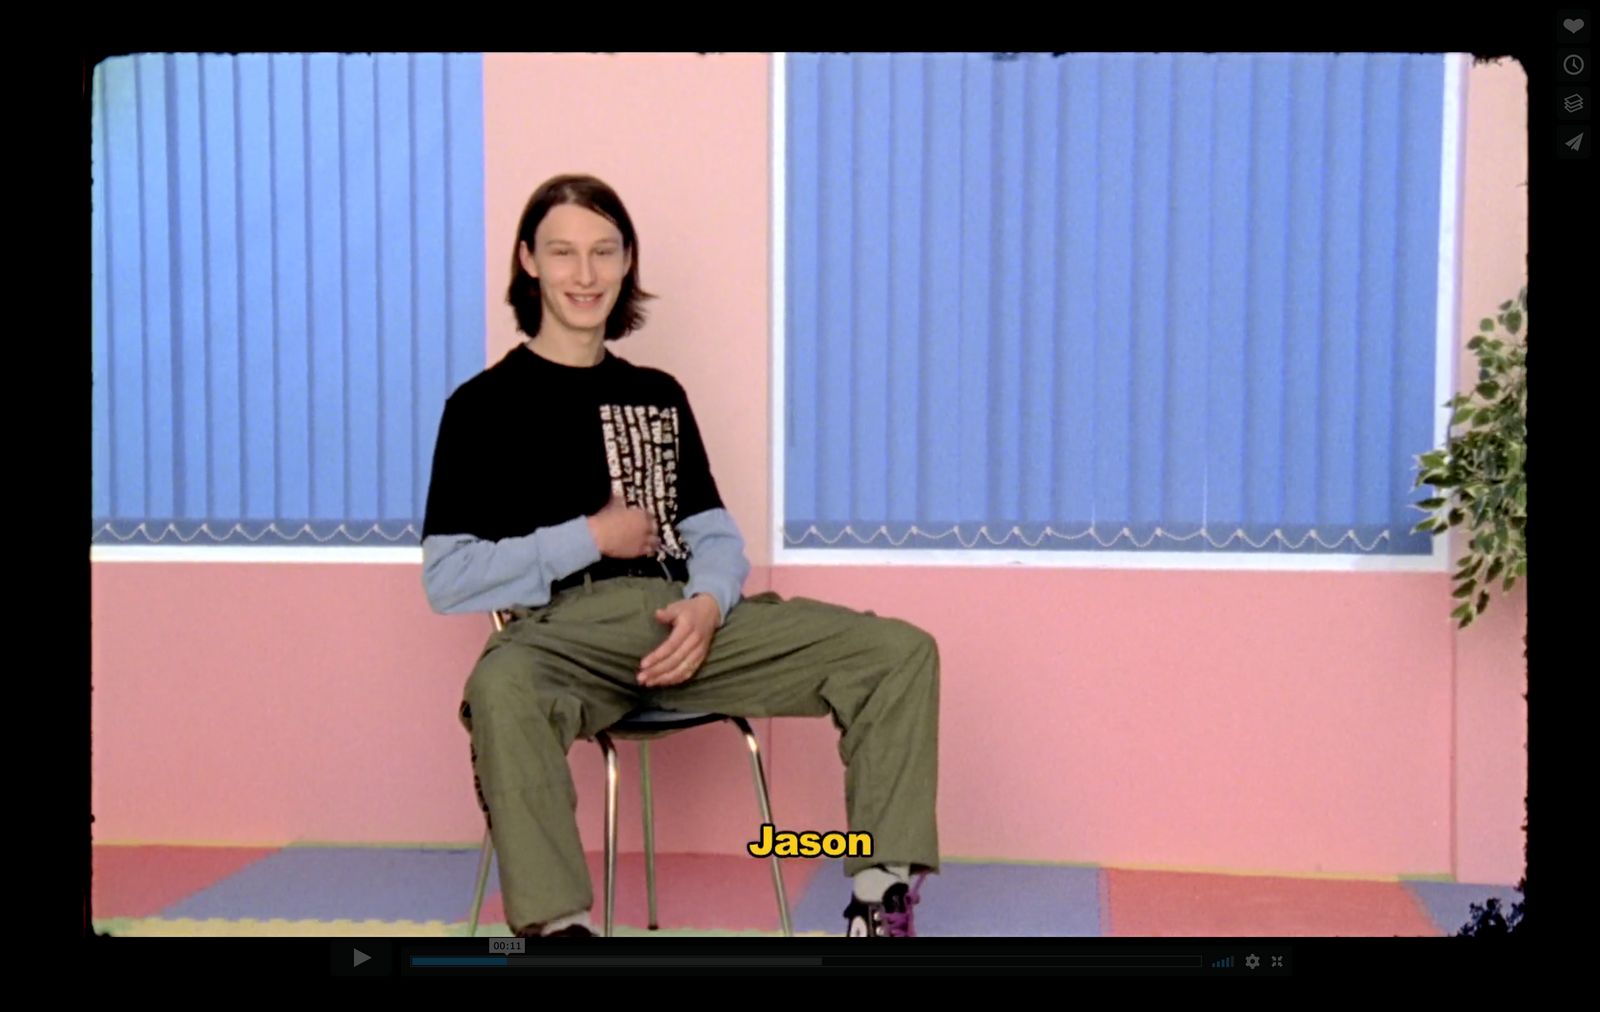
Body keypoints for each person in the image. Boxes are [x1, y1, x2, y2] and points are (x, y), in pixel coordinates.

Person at [421, 174, 940, 938]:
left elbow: (716, 535)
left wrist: (707, 603)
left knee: (898, 654)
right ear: (529, 261)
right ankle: (560, 929)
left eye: (604, 252)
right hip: (565, 635)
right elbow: (446, 578)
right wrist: (589, 538)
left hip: (684, 619)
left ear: (628, 260)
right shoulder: (481, 407)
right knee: (501, 687)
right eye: (563, 253)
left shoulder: (658, 394)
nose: (585, 274)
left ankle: (878, 900)